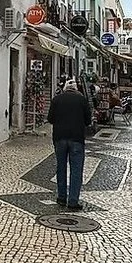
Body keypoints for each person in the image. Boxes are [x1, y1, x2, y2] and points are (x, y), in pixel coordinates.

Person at [47, 79, 92, 211]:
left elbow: (50, 119)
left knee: (61, 168)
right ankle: (73, 201)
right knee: (76, 170)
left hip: (59, 138)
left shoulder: (56, 99)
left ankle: (61, 197)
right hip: (77, 139)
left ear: (65, 88)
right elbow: (88, 121)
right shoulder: (82, 100)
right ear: (76, 89)